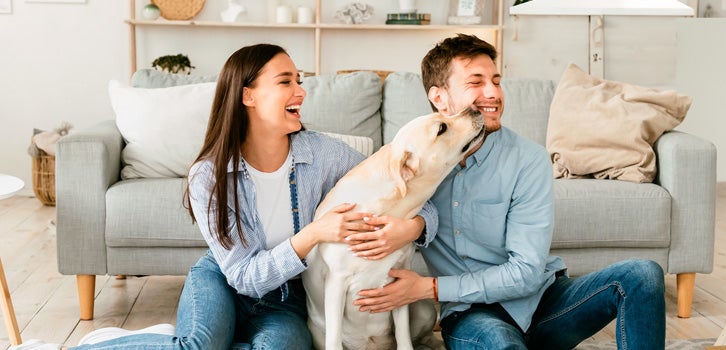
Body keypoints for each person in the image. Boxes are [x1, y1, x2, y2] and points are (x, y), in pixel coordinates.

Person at [12, 43, 438, 350]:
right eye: (286, 81)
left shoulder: (325, 154)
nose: (301, 91)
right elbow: (244, 277)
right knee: (197, 346)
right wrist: (313, 234)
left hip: (287, 297)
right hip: (223, 280)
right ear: (248, 95)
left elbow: (412, 196)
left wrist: (413, 227)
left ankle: (162, 339)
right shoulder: (209, 176)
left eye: (300, 80)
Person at [353, 34, 665, 350]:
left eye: (496, 81)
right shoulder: (415, 163)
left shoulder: (528, 159)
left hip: (546, 301)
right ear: (439, 97)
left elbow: (527, 273)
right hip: (473, 315)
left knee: (642, 274)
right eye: (476, 83)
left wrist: (429, 288)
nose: (493, 94)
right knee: (502, 344)